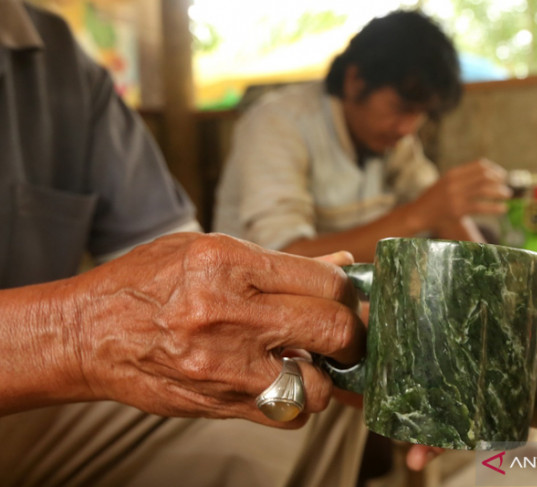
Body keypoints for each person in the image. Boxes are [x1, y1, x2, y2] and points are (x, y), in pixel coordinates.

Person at [0, 2, 366, 485]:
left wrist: (295, 333)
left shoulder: (58, 58)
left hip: (33, 409)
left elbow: (173, 264)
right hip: (31, 379)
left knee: (306, 393)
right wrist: (81, 332)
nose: (406, 126)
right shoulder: (283, 121)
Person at [213, 8, 512, 485]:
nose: (406, 127)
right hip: (256, 342)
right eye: (401, 107)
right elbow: (283, 258)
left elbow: (444, 214)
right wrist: (422, 211)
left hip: (340, 334)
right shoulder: (278, 125)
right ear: (355, 81)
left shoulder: (394, 144)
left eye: (419, 115)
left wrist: (496, 288)